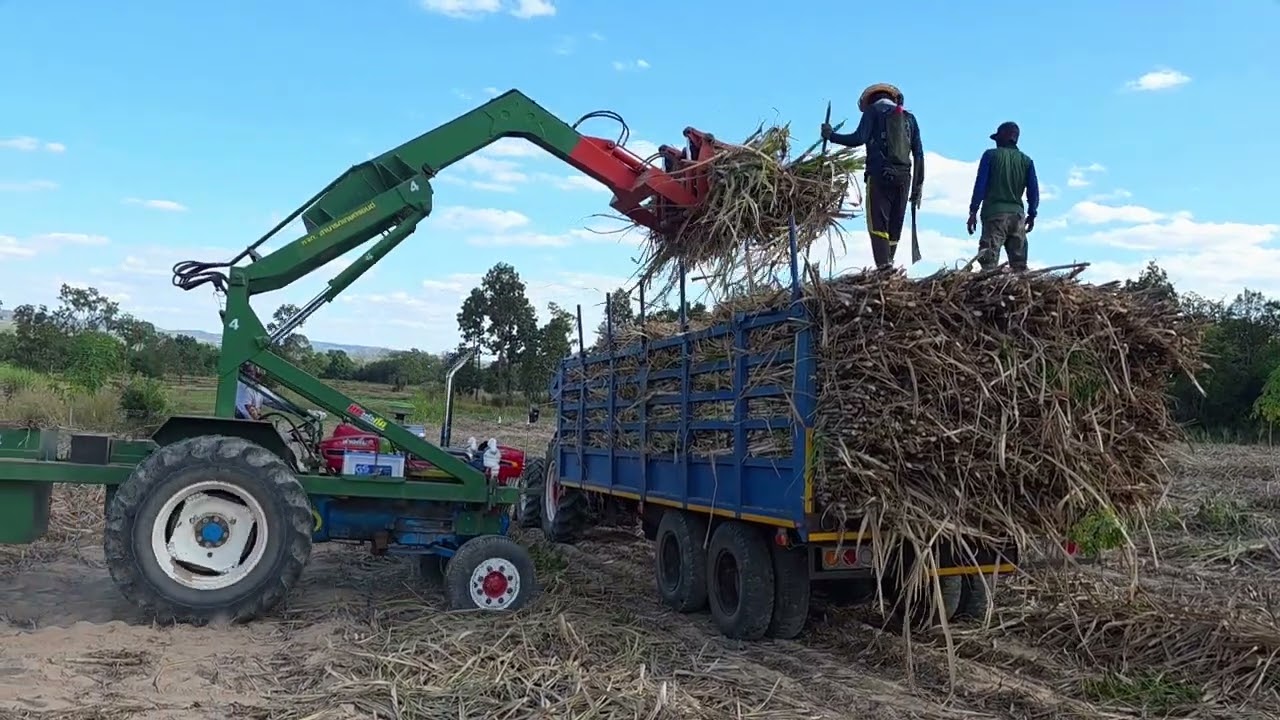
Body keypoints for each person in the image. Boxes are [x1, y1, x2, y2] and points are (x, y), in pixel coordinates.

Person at [820, 83, 925, 270]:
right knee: (895, 225)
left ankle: (884, 269)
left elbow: (858, 138)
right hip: (904, 179)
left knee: (878, 225)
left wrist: (831, 135)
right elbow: (918, 154)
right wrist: (917, 188)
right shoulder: (910, 118)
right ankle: (889, 264)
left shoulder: (872, 112)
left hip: (879, 175)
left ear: (871, 100)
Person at [966, 121, 1040, 271]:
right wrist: (1032, 214)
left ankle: (987, 293)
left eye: (998, 138)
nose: (996, 142)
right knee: (1020, 267)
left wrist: (973, 211)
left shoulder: (990, 156)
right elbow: (1033, 191)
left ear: (1005, 137)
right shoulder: (1026, 161)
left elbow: (980, 185)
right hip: (1018, 218)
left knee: (988, 264)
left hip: (995, 216)